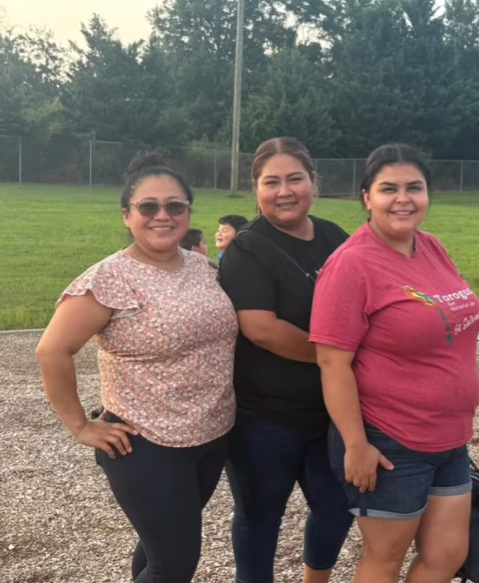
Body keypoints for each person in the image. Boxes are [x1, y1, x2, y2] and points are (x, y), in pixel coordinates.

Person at [35, 153, 239, 583]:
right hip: (145, 444)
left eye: (175, 206)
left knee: (157, 548)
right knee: (173, 564)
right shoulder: (109, 279)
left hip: (210, 436)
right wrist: (81, 426)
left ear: (188, 213)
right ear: (128, 215)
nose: (162, 215)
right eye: (148, 207)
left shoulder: (203, 268)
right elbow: (51, 351)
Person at [310, 144, 479, 583]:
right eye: (389, 189)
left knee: (447, 555)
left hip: (449, 439)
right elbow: (333, 364)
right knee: (384, 559)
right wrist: (356, 444)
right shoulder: (351, 264)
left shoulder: (430, 247)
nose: (403, 198)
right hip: (390, 441)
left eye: (415, 188)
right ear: (367, 197)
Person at [218, 137, 353, 583]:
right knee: (260, 519)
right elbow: (262, 329)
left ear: (314, 182)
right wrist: (337, 359)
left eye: (295, 178)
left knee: (337, 509)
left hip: (332, 414)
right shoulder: (247, 248)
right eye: (270, 181)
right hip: (264, 417)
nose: (284, 190)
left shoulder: (335, 236)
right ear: (255, 189)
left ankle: (317, 578)